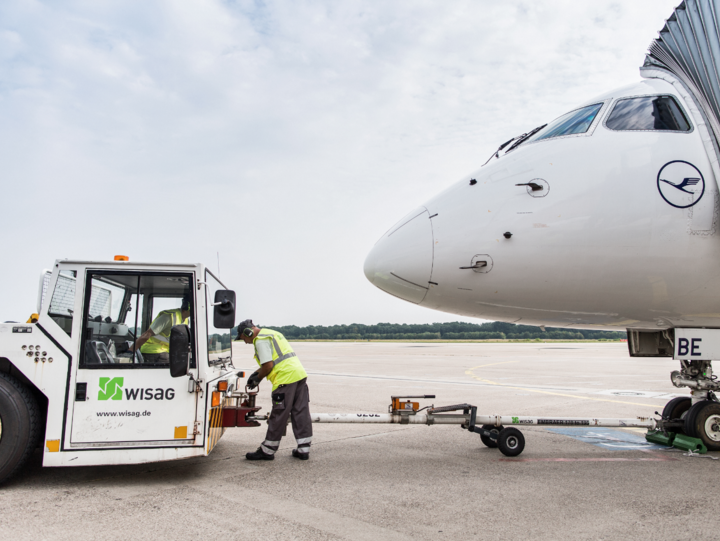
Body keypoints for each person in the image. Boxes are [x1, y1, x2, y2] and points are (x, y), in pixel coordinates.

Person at [236, 319, 312, 461]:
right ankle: (303, 449)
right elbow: (277, 359)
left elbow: (269, 366)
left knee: (279, 415)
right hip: (299, 375)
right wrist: (257, 372)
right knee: (301, 412)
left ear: (248, 332)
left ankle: (267, 450)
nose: (245, 342)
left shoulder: (260, 340)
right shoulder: (272, 333)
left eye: (243, 338)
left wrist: (258, 378)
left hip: (284, 379)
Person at [129, 295, 191, 363]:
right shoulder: (168, 317)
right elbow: (147, 334)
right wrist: (130, 351)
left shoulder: (186, 320)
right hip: (154, 351)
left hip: (165, 350)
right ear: (187, 306)